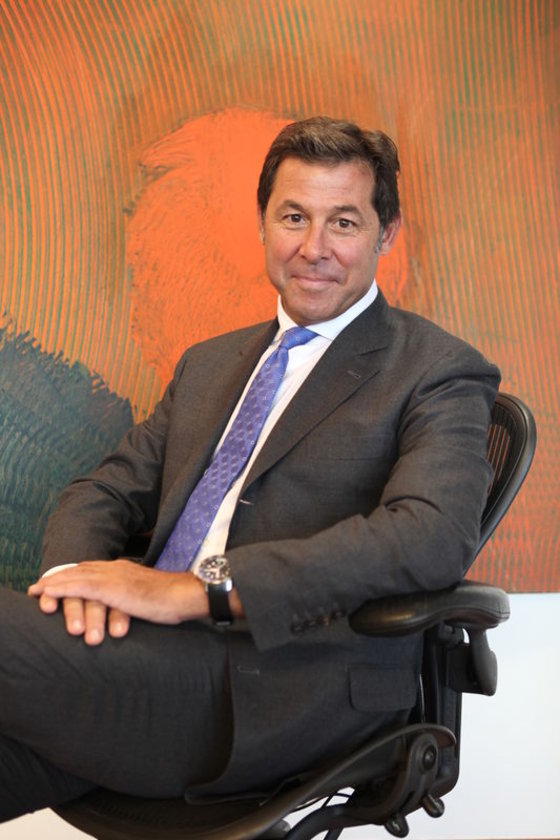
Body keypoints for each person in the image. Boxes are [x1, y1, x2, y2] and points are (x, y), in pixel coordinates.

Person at [0, 116, 500, 820]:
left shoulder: (436, 370)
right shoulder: (210, 365)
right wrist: (74, 584)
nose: (313, 248)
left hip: (278, 686)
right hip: (131, 663)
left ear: (386, 234)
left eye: (344, 222)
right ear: (263, 223)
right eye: (294, 217)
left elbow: (430, 536)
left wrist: (198, 592)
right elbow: (105, 489)